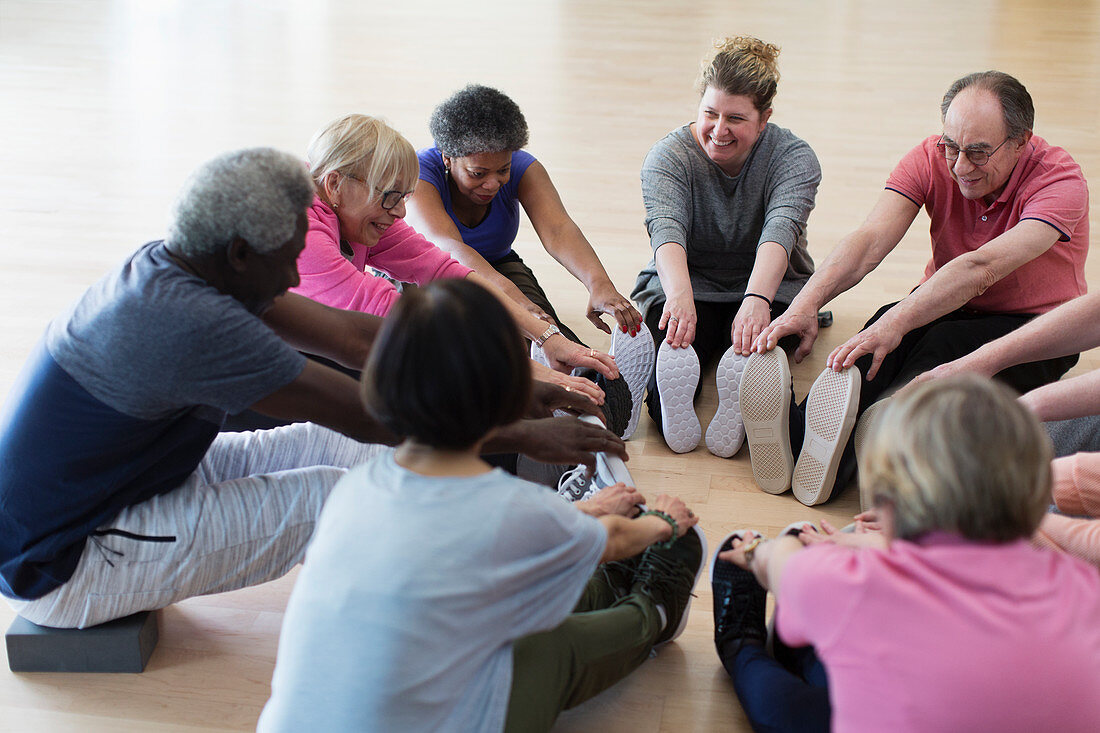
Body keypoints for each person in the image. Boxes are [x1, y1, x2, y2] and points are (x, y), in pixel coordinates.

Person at [0, 148, 625, 629]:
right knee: (335, 497)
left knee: (352, 459)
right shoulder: (188, 324)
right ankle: (514, 592)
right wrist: (520, 428)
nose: (299, 270)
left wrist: (517, 382)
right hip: (68, 560)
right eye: (290, 255)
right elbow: (371, 414)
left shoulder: (189, 264)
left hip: (137, 484)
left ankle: (504, 555)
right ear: (241, 253)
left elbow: (354, 338)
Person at [259, 279, 706, 732]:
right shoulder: (509, 507)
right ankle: (655, 611)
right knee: (549, 645)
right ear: (510, 392)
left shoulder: (354, 487)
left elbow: (459, 545)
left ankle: (602, 576)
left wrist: (581, 520)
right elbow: (612, 539)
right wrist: (662, 523)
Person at [745, 69, 1089, 505]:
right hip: (944, 298)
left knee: (933, 350)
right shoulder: (931, 156)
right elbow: (869, 240)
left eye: (979, 153)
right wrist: (806, 303)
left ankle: (885, 436)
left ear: (1022, 141)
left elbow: (982, 267)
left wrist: (900, 320)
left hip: (1034, 326)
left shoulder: (1060, 182)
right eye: (952, 146)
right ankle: (799, 437)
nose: (960, 166)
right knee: (863, 351)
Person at [710, 376, 1100, 732]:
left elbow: (781, 563)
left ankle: (742, 647)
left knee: (787, 708)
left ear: (887, 504)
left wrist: (760, 551)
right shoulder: (1085, 587)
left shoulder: (854, 584)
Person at [292, 113, 616, 406]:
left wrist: (547, 337)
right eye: (390, 197)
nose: (401, 212)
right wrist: (519, 369)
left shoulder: (355, 212)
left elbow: (447, 271)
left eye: (403, 198)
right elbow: (392, 314)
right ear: (335, 185)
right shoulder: (302, 228)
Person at [406, 85, 654, 439]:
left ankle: (602, 402)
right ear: (447, 158)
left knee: (559, 342)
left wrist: (598, 284)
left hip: (498, 263)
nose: (492, 183)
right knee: (500, 342)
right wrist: (523, 309)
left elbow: (557, 229)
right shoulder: (420, 172)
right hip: (436, 277)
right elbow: (450, 251)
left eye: (502, 170)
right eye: (478, 173)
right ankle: (522, 413)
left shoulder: (523, 167)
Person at [630, 36, 821, 455]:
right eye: (710, 113)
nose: (719, 130)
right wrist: (679, 298)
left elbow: (780, 230)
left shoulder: (794, 158)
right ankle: (676, 403)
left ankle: (748, 395)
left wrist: (757, 299)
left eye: (735, 118)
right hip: (688, 284)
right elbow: (667, 230)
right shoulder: (667, 157)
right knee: (670, 377)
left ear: (764, 118)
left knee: (761, 362)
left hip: (771, 286)